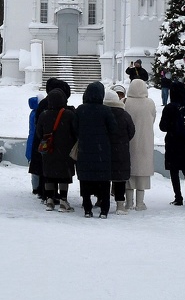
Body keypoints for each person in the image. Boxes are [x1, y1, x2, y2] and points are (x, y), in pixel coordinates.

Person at [73, 81, 120, 218]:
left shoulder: (80, 109)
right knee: (104, 180)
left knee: (85, 179)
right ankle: (104, 210)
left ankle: (87, 208)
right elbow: (114, 129)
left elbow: (74, 128)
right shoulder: (105, 110)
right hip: (102, 151)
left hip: (85, 150)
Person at [35, 79, 77, 212]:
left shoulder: (44, 114)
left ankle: (49, 200)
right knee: (64, 175)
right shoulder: (69, 115)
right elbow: (75, 131)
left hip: (49, 149)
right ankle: (63, 201)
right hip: (65, 150)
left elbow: (39, 132)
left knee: (49, 174)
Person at [159, 80, 185, 206]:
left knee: (174, 171)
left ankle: (178, 197)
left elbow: (163, 127)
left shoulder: (169, 107)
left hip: (173, 143)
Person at [123, 78, 156, 211]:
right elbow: (152, 118)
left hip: (129, 141)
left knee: (129, 173)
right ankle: (140, 203)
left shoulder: (125, 102)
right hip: (145, 141)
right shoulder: (150, 103)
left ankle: (129, 202)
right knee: (142, 173)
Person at [104, 84, 135, 215]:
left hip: (104, 150)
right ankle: (120, 205)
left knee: (105, 178)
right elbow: (131, 131)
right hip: (121, 150)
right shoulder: (124, 114)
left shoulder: (103, 114)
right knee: (120, 178)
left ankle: (103, 202)